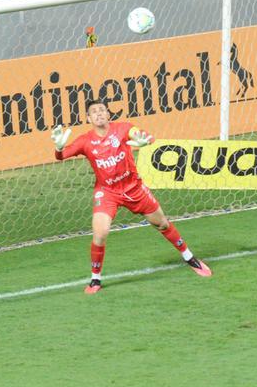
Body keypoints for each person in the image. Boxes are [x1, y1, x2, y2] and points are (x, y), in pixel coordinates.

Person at [52, 98, 212, 293]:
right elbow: (61, 156)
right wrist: (58, 147)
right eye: (94, 111)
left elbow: (142, 135)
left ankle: (189, 257)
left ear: (108, 114)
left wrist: (145, 139)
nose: (99, 113)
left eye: (102, 110)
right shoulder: (85, 141)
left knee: (162, 224)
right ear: (88, 118)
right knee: (100, 234)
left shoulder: (122, 129)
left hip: (134, 188)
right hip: (107, 192)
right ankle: (95, 279)